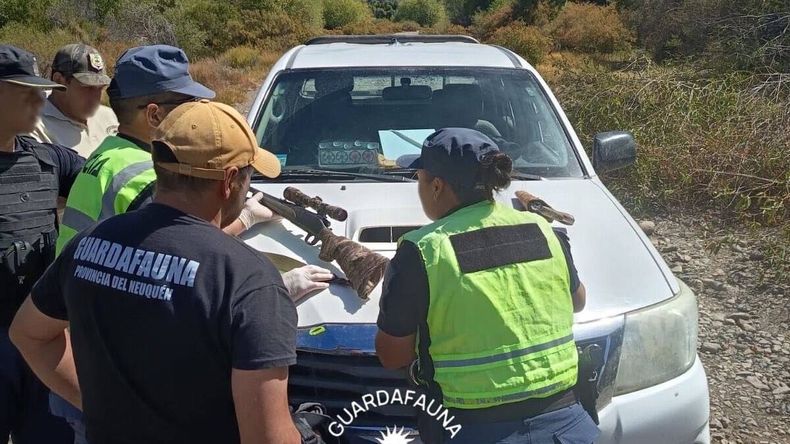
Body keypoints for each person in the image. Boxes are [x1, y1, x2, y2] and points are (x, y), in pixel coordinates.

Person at [51, 44, 332, 443]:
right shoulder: (137, 175)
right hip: (120, 376)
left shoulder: (109, 154)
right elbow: (185, 255)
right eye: (188, 105)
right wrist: (261, 289)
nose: (198, 114)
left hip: (92, 357)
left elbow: (32, 331)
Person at [10, 100, 304, 444]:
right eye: (248, 174)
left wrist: (100, 406)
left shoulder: (91, 242)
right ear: (229, 182)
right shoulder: (247, 280)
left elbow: (28, 334)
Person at [375, 128, 598, 444]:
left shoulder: (422, 251)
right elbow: (577, 301)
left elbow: (392, 355)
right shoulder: (545, 230)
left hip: (473, 429)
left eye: (419, 179)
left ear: (437, 185)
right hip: (568, 424)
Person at [0, 44, 83, 444]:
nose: (41, 100)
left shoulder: (49, 160)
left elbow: (108, 183)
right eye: (26, 92)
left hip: (42, 337)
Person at [30, 43, 118, 158]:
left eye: (100, 88)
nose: (96, 97)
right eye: (87, 88)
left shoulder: (110, 116)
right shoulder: (31, 125)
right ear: (59, 81)